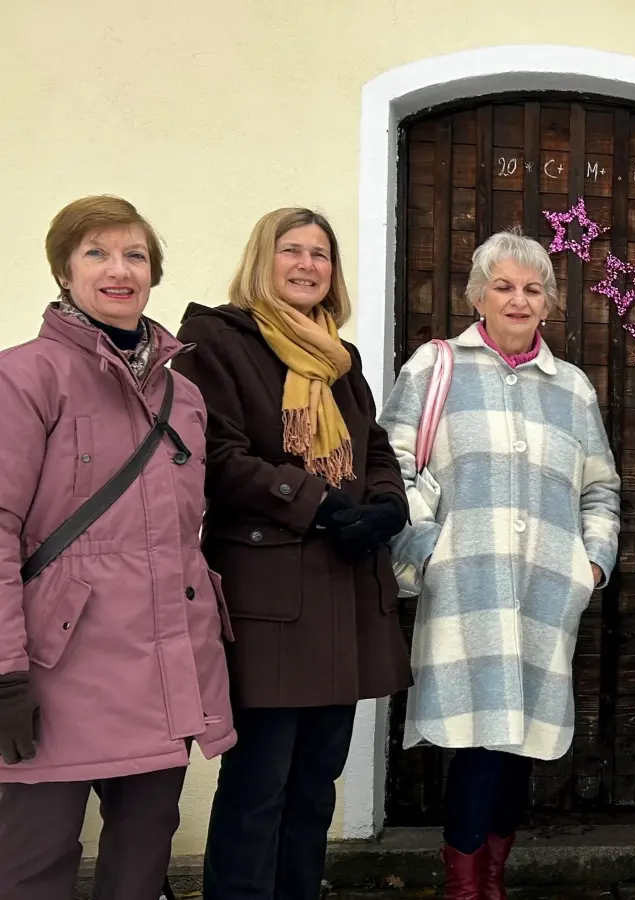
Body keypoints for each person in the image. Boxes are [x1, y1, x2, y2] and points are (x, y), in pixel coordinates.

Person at [174, 208, 413, 900]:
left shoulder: (340, 355)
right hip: (271, 600)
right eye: (293, 250)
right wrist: (316, 502)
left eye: (322, 254)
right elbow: (217, 454)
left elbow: (372, 446)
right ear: (263, 259)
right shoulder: (216, 340)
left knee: (316, 785)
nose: (309, 264)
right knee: (259, 786)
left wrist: (386, 504)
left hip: (343, 593)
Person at [0, 196, 234, 900]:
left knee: (140, 860)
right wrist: (5, 672)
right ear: (64, 271)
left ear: (154, 273)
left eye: (134, 255)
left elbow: (180, 536)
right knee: (32, 865)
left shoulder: (184, 395)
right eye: (96, 253)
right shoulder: (25, 376)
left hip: (163, 665)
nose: (118, 269)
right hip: (57, 668)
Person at [381, 230, 622, 900]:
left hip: (547, 593)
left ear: (550, 303)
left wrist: (592, 563)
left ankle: (492, 881)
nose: (519, 299)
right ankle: (466, 890)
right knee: (478, 743)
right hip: (466, 589)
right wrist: (426, 550)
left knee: (520, 748)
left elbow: (601, 487)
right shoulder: (434, 369)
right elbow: (391, 471)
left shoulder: (570, 387)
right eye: (504, 286)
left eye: (533, 288)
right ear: (477, 295)